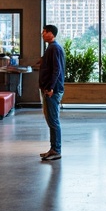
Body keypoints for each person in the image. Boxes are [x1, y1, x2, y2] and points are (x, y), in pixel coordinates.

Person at [35, 24, 65, 161]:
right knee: (51, 120)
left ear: (51, 34)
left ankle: (56, 150)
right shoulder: (51, 48)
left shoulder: (54, 48)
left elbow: (56, 70)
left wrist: (51, 88)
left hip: (51, 90)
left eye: (45, 32)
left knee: (53, 121)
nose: (42, 34)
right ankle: (53, 149)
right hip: (49, 88)